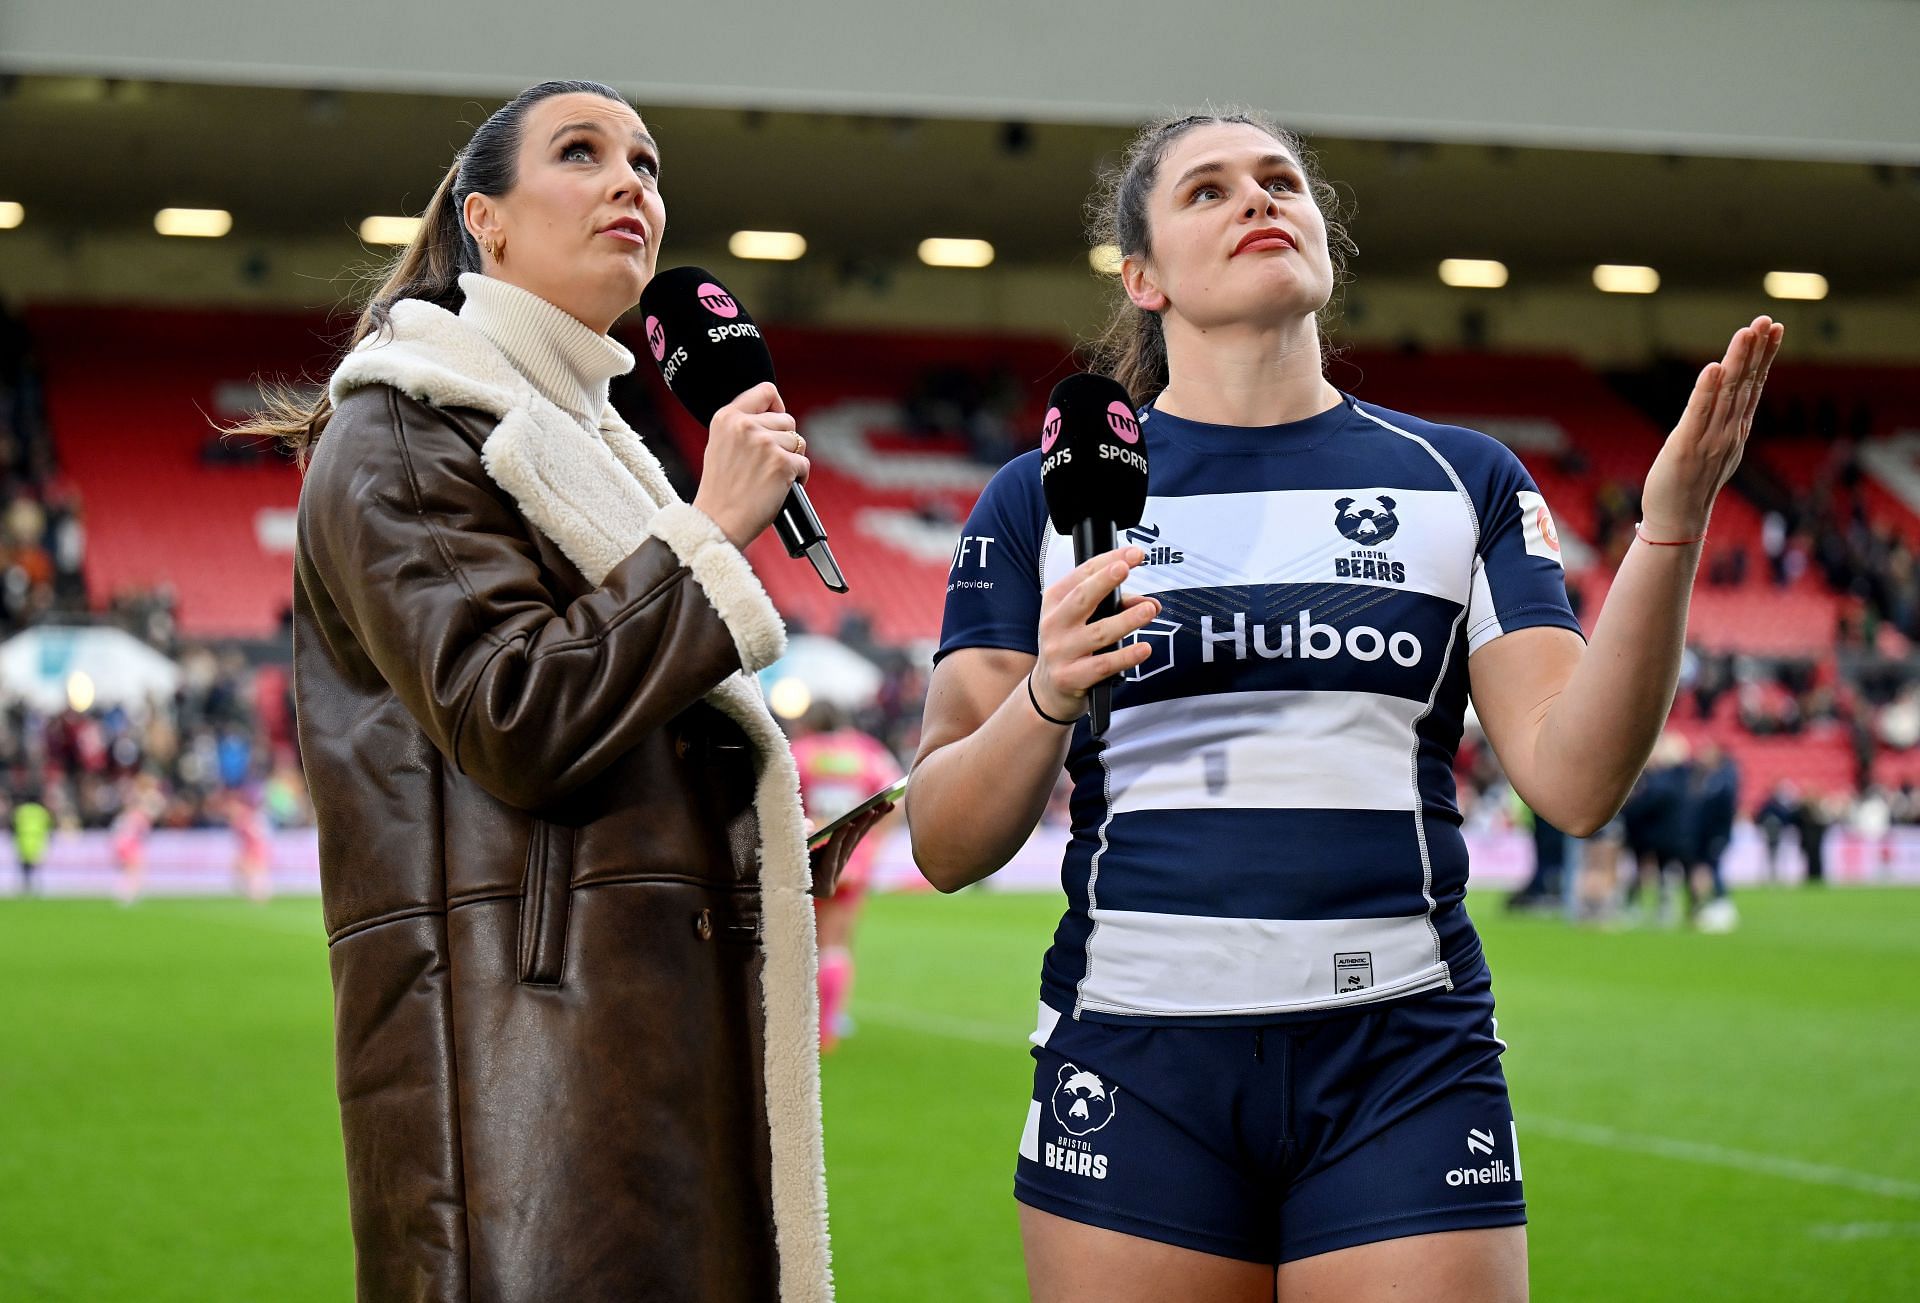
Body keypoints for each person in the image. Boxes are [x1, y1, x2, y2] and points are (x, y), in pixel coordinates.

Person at [906, 110, 1782, 1302]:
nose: (1259, 199)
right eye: (1208, 191)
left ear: (1324, 232)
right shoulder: (1038, 501)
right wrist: (1046, 696)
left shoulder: (1460, 477)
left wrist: (1669, 526)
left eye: (1280, 180)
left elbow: (1577, 780)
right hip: (1136, 1055)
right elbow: (945, 840)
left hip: (1405, 1057)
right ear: (1144, 277)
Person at [242, 80, 879, 1302]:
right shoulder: (404, 429)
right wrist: (704, 539)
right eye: (581, 154)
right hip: (514, 1072)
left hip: (619, 1049)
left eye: (645, 161)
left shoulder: (587, 441)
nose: (630, 181)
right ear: (483, 219)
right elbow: (513, 717)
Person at [790, 703, 904, 1050]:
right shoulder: (866, 752)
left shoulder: (801, 752)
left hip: (807, 856)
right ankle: (830, 1024)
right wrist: (873, 842)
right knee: (836, 942)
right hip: (853, 859)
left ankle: (802, 1020)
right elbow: (895, 797)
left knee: (803, 942)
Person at [11, 794, 50, 895]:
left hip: (23, 841)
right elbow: (48, 826)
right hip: (37, 841)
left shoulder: (21, 810)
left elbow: (13, 825)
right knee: (36, 866)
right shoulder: (41, 811)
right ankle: (37, 887)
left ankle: (26, 887)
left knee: (25, 867)